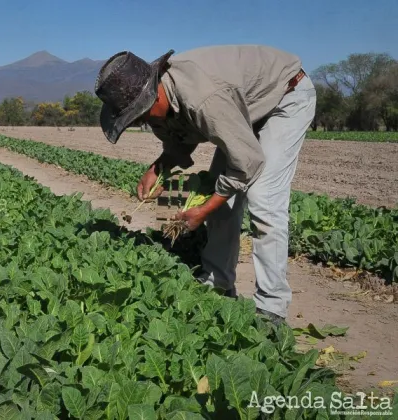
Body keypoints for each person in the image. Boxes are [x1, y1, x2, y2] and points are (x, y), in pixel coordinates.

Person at [94, 45, 317, 326]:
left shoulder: (203, 99)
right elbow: (179, 142)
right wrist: (157, 168)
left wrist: (204, 210)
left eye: (138, 115)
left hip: (285, 97)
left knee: (263, 198)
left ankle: (272, 308)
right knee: (222, 203)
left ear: (152, 95)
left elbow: (247, 162)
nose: (141, 122)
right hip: (240, 110)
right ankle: (219, 283)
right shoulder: (161, 104)